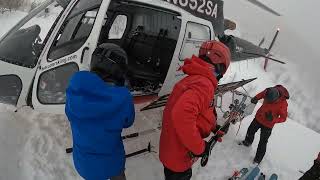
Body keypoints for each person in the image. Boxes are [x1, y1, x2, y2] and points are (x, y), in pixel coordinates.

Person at [159, 41, 231, 180]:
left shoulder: (195, 79)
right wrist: (200, 148)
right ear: (220, 68)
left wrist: (213, 127)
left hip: (172, 149)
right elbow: (182, 115)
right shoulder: (204, 84)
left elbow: (200, 111)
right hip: (179, 156)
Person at [65, 44, 135, 180]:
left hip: (83, 165)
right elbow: (128, 121)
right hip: (112, 164)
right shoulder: (122, 97)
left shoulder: (74, 90)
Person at [240, 85, 289, 164]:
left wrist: (272, 119)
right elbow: (261, 94)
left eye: (268, 100)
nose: (266, 100)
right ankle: (247, 142)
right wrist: (256, 97)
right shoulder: (268, 91)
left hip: (268, 125)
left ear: (275, 99)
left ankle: (257, 160)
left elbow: (283, 118)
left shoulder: (283, 104)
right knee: (250, 130)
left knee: (262, 142)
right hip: (259, 117)